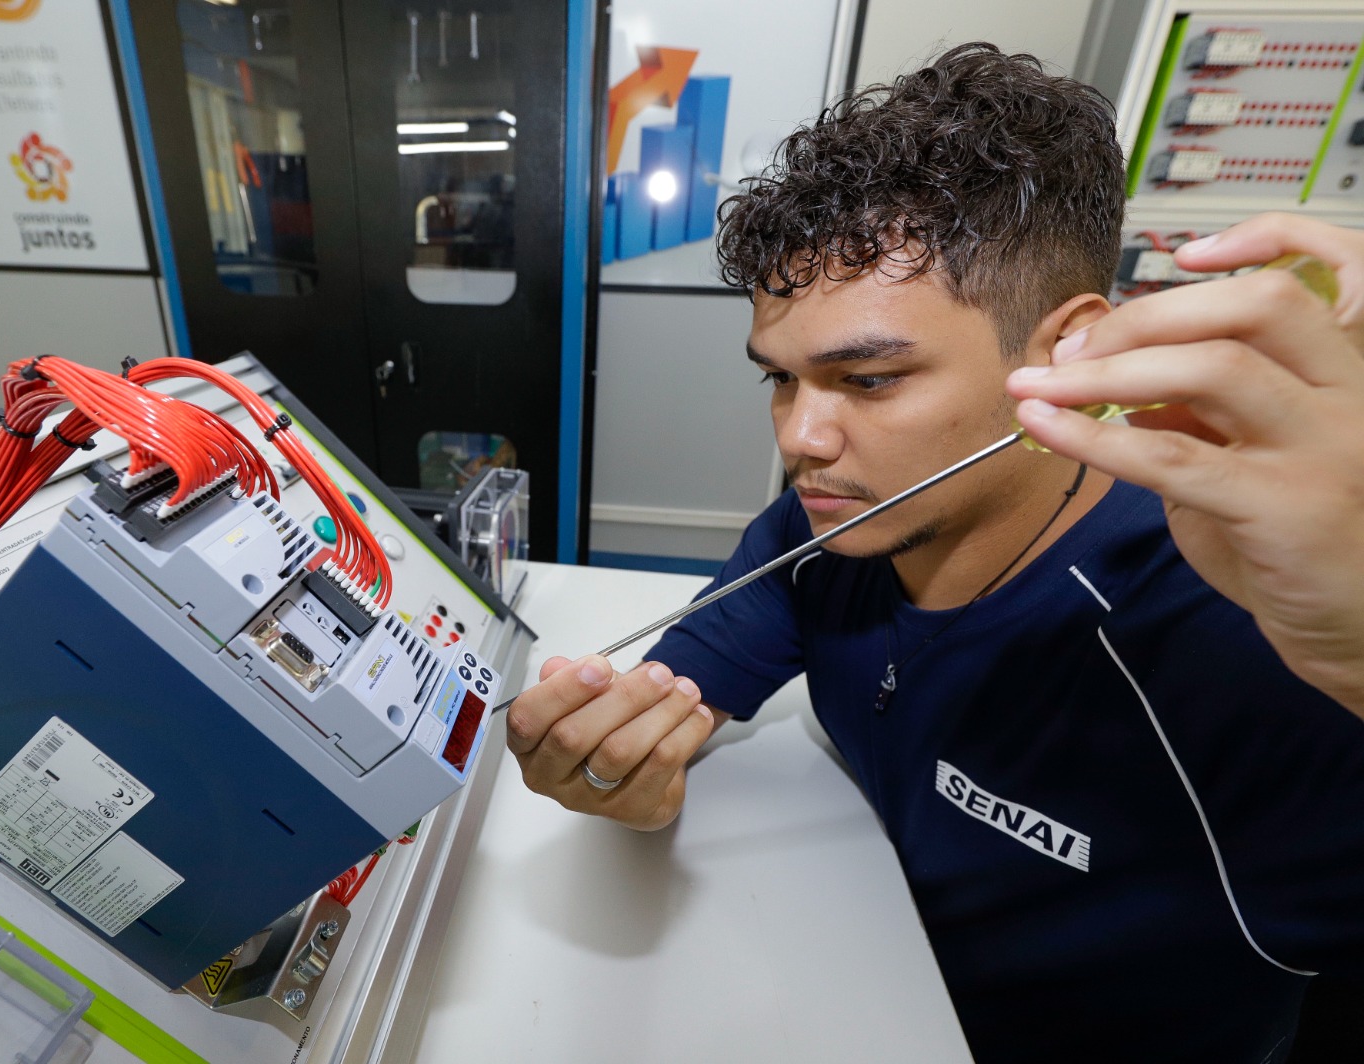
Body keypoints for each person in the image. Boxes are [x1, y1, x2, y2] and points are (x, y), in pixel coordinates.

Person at [506, 44, 1364, 1063]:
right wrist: (610, 766)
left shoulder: (1237, 626)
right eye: (778, 380)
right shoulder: (827, 529)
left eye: (866, 380)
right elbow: (674, 693)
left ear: (1063, 352)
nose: (798, 438)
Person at [1006, 212, 1364, 720]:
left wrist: (1355, 665)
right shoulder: (863, 553)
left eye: (872, 379)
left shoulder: (1250, 671)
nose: (844, 439)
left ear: (1064, 346)